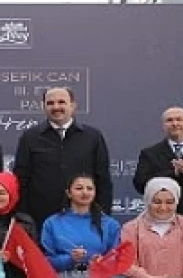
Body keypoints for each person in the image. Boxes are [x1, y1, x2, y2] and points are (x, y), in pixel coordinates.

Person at [15, 87, 112, 227]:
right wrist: (23, 217)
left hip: (84, 218)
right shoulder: (30, 137)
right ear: (44, 107)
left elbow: (103, 179)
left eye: (61, 102)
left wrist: (102, 215)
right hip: (40, 218)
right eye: (50, 103)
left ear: (73, 106)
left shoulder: (93, 137)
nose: (56, 107)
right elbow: (21, 179)